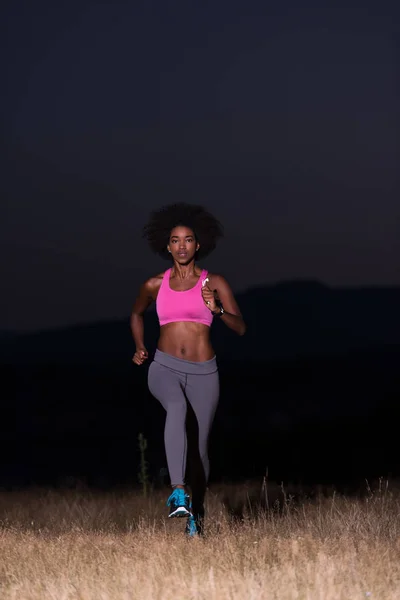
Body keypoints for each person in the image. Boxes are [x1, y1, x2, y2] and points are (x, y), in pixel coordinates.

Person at [131, 202, 246, 536]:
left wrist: (218, 308)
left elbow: (241, 328)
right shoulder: (154, 284)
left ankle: (197, 512)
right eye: (175, 240)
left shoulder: (215, 282)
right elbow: (136, 313)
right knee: (176, 407)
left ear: (198, 245)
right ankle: (177, 491)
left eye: (188, 240)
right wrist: (139, 345)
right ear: (167, 246)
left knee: (200, 451)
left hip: (204, 372)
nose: (182, 246)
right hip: (163, 366)